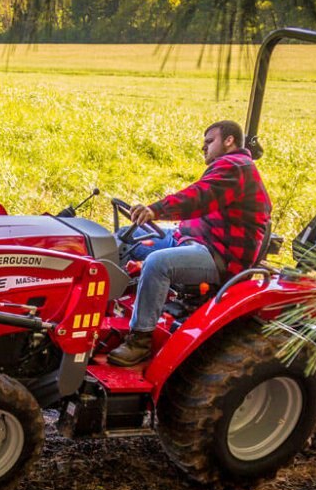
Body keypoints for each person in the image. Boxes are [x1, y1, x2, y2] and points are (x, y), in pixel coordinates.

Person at [107, 120, 271, 367]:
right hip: (190, 238)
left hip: (218, 255)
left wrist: (156, 210)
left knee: (157, 263)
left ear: (229, 140)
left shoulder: (237, 167)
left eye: (209, 141)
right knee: (122, 239)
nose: (203, 148)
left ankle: (139, 340)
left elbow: (199, 196)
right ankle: (106, 311)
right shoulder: (228, 168)